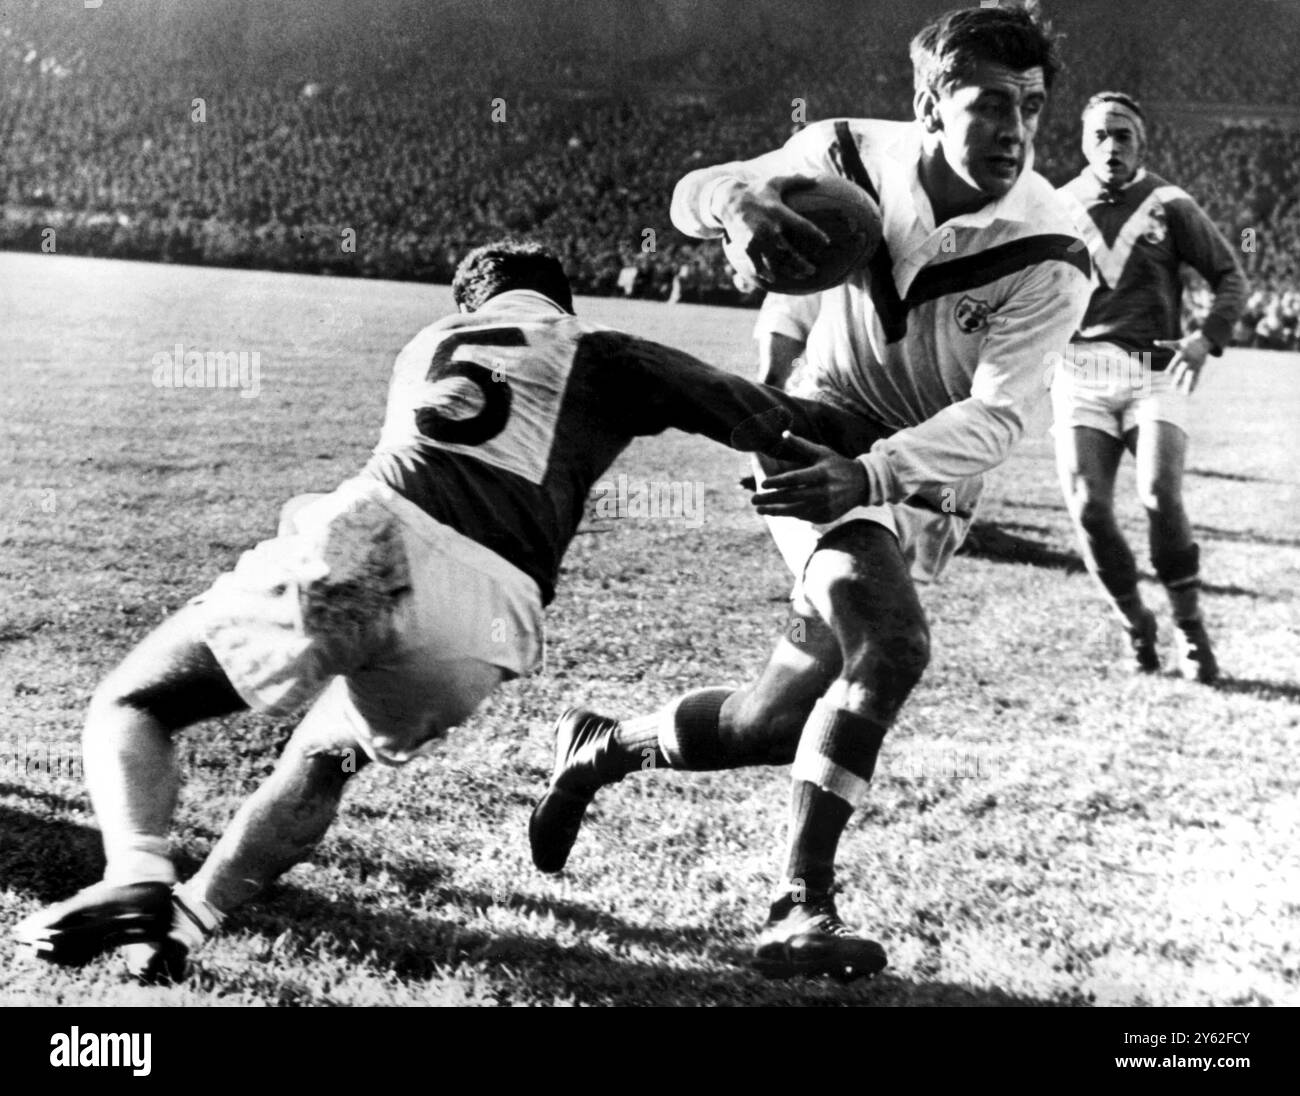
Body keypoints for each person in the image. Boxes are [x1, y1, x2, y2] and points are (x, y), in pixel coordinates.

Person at [12, 239, 888, 982]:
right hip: (488, 617)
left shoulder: (428, 342)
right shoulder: (608, 352)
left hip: (373, 547)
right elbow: (773, 417)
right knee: (325, 757)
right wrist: (896, 408)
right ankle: (191, 918)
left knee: (138, 703)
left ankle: (136, 871)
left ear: (469, 300)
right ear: (564, 301)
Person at [528, 4, 1094, 982]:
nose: (1015, 131)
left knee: (777, 719)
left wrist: (876, 473)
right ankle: (801, 903)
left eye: (1033, 109)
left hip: (922, 472)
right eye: (991, 104)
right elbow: (696, 191)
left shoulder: (1052, 247)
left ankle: (602, 747)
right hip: (807, 431)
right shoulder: (838, 149)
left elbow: (1001, 418)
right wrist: (734, 206)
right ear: (928, 104)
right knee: (893, 643)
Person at [1052, 92, 1247, 682]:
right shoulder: (1055, 207)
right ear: (1084, 143)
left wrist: (1205, 337)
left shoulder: (1169, 203)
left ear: (1142, 143)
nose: (1112, 146)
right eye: (1101, 135)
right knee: (1089, 508)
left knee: (1159, 494)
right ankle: (1136, 620)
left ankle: (1190, 630)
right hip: (1083, 373)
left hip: (1153, 372)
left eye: (1124, 135)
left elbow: (1229, 275)